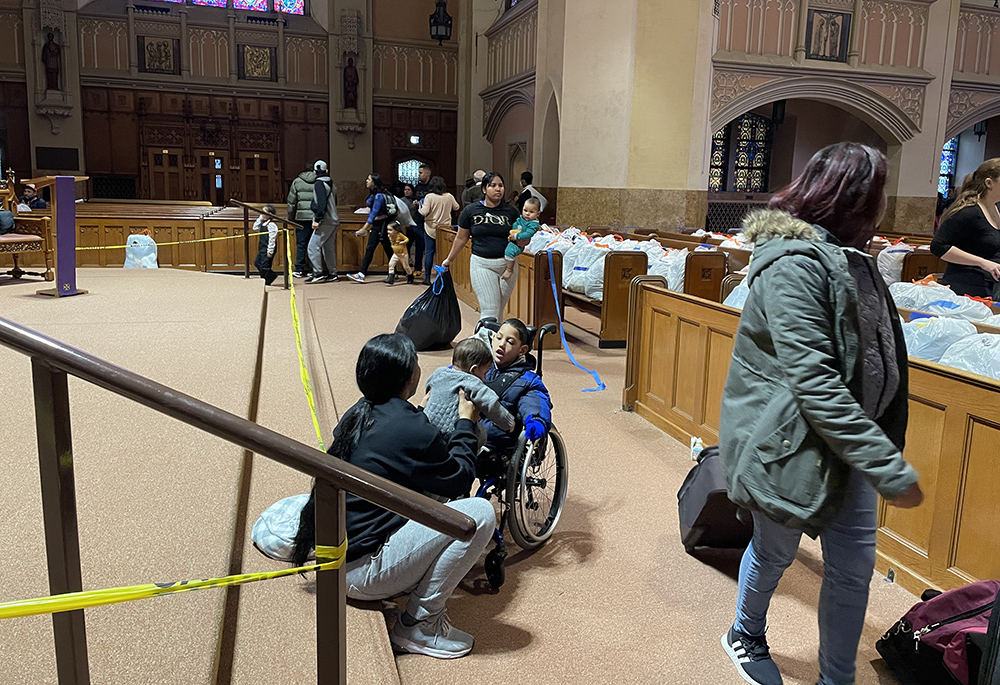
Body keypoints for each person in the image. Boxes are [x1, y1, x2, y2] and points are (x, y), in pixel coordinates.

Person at [718, 142, 924, 685]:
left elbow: (875, 351)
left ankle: (838, 680)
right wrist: (888, 465)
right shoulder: (794, 263)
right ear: (854, 200)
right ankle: (745, 632)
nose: (883, 207)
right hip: (791, 444)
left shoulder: (855, 257)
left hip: (852, 445)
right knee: (774, 552)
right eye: (877, 195)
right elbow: (814, 380)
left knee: (852, 572)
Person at [290, 333, 496, 659]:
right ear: (407, 377)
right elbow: (458, 477)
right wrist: (465, 424)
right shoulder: (409, 428)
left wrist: (422, 416)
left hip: (335, 557)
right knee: (479, 514)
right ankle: (419, 625)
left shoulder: (358, 411)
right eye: (415, 362)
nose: (419, 366)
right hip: (364, 573)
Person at [442, 172, 523, 322]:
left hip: (507, 266)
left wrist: (525, 238)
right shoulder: (470, 211)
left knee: (499, 309)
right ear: (484, 189)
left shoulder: (511, 212)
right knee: (490, 310)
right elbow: (461, 238)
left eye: (501, 185)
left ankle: (495, 343)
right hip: (482, 264)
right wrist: (449, 259)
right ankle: (483, 342)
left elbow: (520, 237)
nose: (498, 189)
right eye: (493, 185)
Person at [423, 337, 515, 448]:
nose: (484, 378)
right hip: (454, 433)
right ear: (473, 370)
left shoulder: (439, 372)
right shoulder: (472, 382)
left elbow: (428, 387)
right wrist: (508, 422)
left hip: (428, 427)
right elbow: (491, 404)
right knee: (481, 434)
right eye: (485, 373)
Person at [929, 158, 1000, 298]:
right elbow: (938, 246)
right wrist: (982, 262)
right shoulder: (969, 212)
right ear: (989, 183)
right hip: (967, 288)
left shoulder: (996, 209)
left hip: (990, 286)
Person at [481, 318, 552, 454]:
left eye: (510, 342)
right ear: (492, 338)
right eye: (499, 338)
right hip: (469, 428)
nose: (501, 344)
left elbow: (534, 402)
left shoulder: (527, 380)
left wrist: (536, 420)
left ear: (522, 350)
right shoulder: (478, 365)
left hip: (497, 438)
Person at [348, 173, 394, 284]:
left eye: (368, 179)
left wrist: (364, 229)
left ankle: (362, 273)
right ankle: (395, 272)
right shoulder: (375, 194)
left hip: (381, 226)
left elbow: (373, 215)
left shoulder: (378, 196)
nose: (366, 181)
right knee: (387, 249)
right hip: (380, 224)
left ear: (374, 182)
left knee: (372, 249)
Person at [418, 176, 460, 283]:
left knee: (429, 253)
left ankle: (427, 278)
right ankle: (443, 277)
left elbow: (424, 212)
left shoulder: (429, 196)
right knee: (444, 253)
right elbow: (457, 207)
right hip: (446, 229)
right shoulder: (449, 196)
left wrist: (419, 206)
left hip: (431, 228)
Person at [305, 162, 340, 284]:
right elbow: (334, 202)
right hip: (334, 219)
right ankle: (333, 273)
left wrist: (317, 219)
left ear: (314, 172)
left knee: (312, 247)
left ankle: (318, 273)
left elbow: (321, 205)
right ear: (326, 171)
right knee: (328, 248)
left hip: (325, 220)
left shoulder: (319, 184)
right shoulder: (331, 183)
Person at [286, 163, 318, 278]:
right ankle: (312, 269)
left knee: (301, 244)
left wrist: (291, 218)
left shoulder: (297, 181)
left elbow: (291, 202)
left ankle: (299, 268)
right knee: (313, 244)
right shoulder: (319, 182)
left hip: (302, 217)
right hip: (315, 218)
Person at [503, 197, 542, 281]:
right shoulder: (522, 219)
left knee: (509, 252)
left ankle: (509, 270)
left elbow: (528, 234)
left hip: (519, 243)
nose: (527, 214)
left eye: (531, 212)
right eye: (525, 210)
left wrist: (516, 236)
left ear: (538, 214)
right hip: (514, 238)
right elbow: (515, 223)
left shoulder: (533, 224)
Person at [412, 164, 432, 280]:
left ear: (427, 173)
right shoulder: (418, 186)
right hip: (419, 219)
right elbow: (414, 197)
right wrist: (415, 201)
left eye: (420, 173)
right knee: (419, 245)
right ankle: (418, 268)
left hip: (429, 219)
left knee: (430, 248)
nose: (419, 175)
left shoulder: (432, 187)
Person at [253, 204, 280, 286]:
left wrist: (270, 251)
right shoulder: (263, 224)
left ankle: (269, 278)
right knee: (257, 263)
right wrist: (260, 218)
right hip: (262, 248)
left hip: (268, 248)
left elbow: (272, 239)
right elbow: (255, 228)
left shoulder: (271, 225)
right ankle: (265, 279)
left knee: (265, 266)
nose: (263, 214)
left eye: (265, 213)